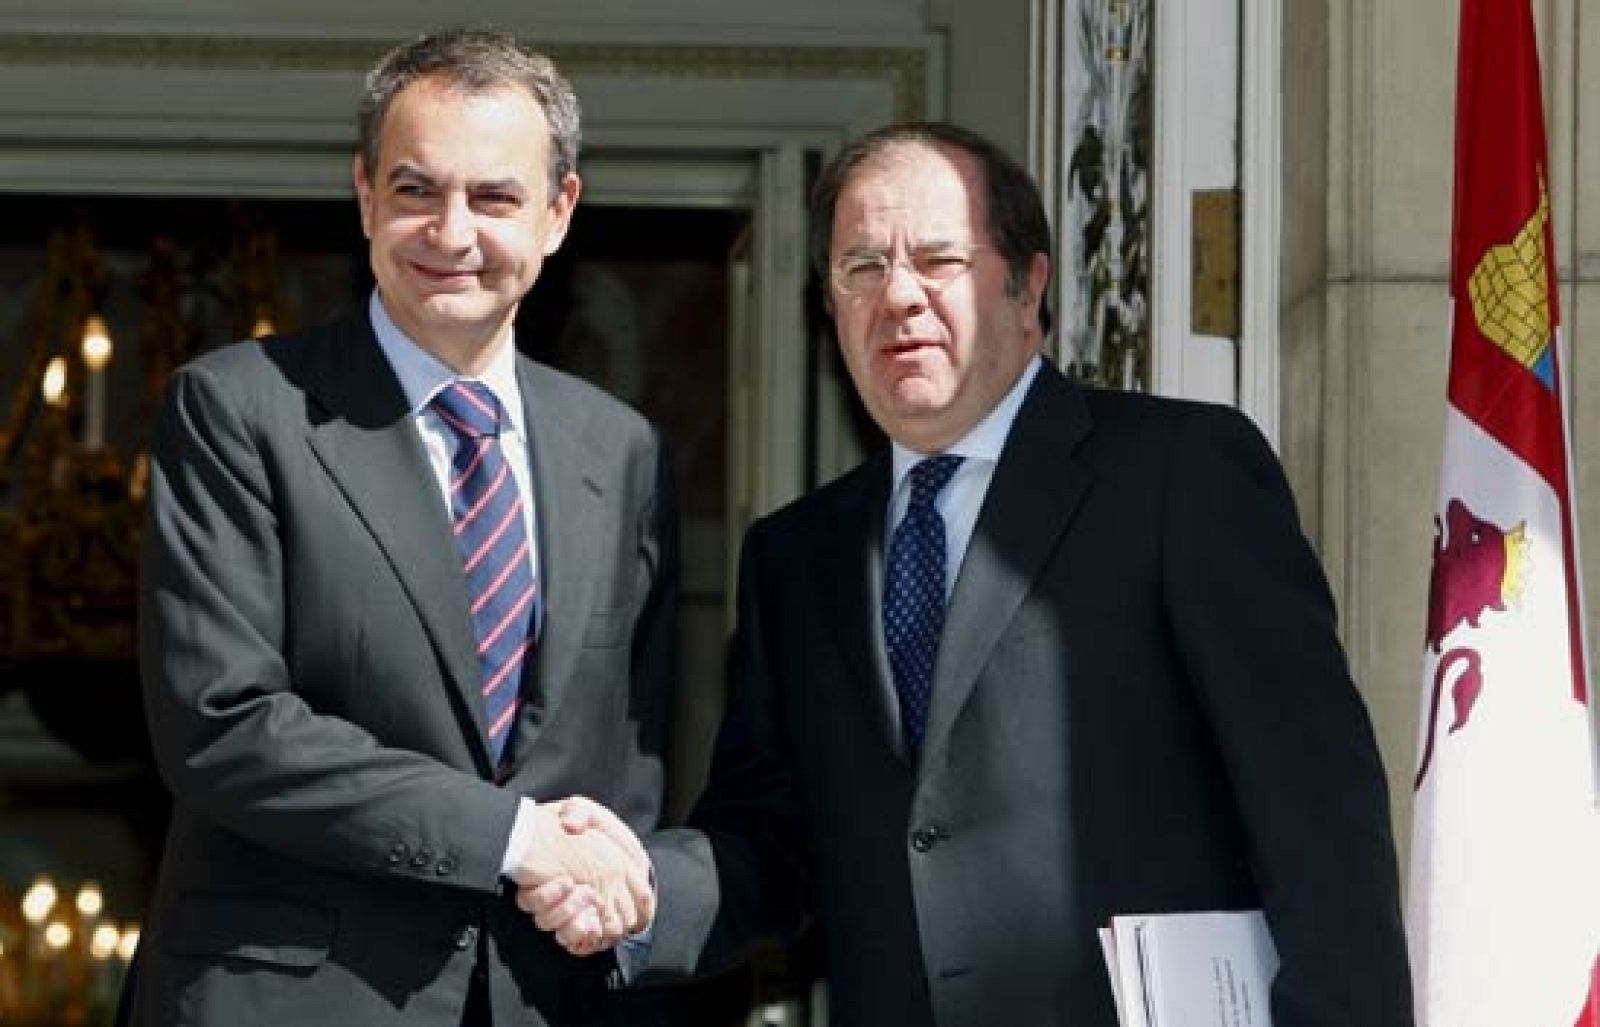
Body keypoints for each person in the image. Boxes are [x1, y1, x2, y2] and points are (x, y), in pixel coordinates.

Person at [535, 122, 1414, 1025]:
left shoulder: (1179, 475)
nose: (899, 296)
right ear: (830, 306)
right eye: (861, 267)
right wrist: (640, 891)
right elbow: (772, 842)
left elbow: (1318, 816)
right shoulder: (795, 559)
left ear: (1029, 286)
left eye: (938, 259)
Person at [128, 28, 671, 1026]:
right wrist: (512, 836)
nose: (451, 231)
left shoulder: (623, 450)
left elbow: (624, 759)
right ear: (365, 195)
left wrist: (604, 884)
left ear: (559, 213)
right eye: (417, 190)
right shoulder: (238, 409)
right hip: (289, 999)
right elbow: (224, 723)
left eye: (495, 197)